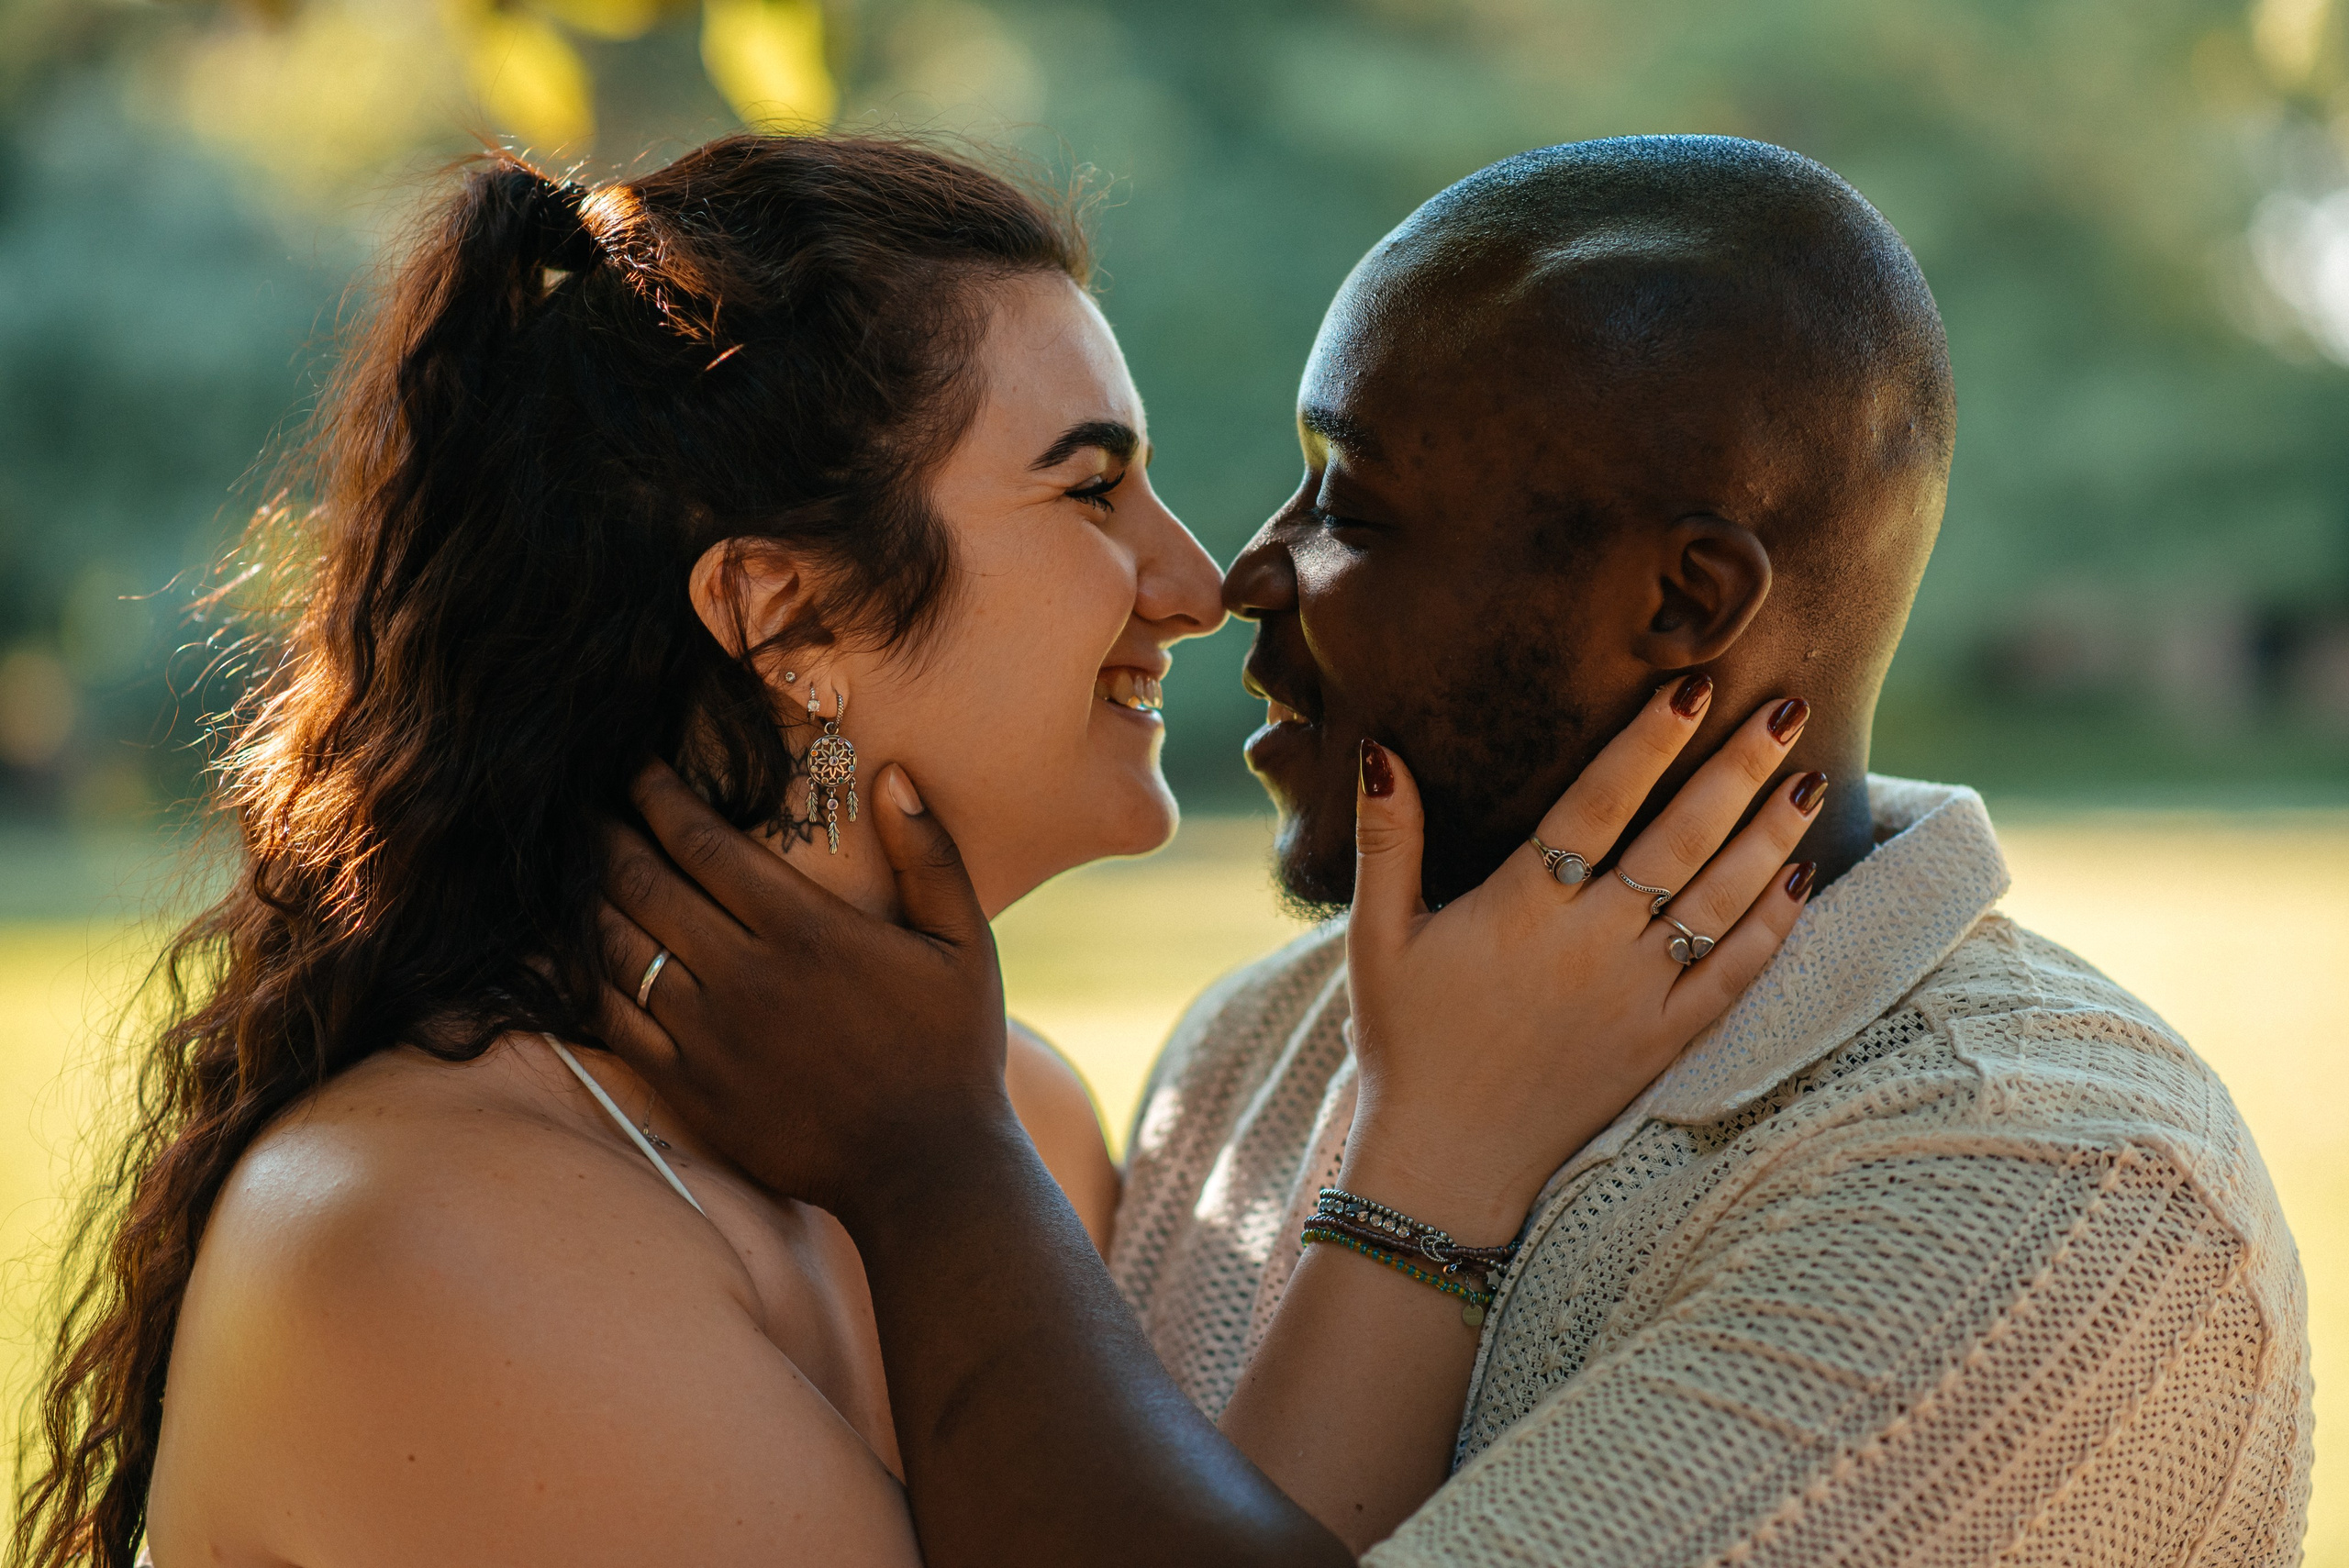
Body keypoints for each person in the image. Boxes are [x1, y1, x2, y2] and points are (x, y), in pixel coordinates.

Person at [14, 133, 1817, 1568]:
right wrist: (1434, 1173)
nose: (1196, 586)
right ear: (784, 613)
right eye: (1088, 485)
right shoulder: (425, 1236)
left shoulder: (1011, 1115)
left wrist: (1446, 1129)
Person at [596, 137, 2314, 1566]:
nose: (1232, 581)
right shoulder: (1258, 1046)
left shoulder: (2047, 1203)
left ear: (1681, 601)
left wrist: (929, 1162)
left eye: (1346, 503)